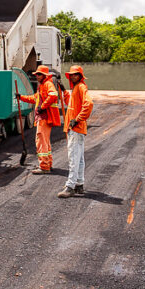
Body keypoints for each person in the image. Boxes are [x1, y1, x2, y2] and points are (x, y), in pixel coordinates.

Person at [58, 65, 93, 198]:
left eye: (75, 74)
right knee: (79, 158)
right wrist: (64, 92)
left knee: (73, 157)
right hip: (76, 128)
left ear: (80, 76)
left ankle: (70, 186)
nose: (73, 76)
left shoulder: (81, 87)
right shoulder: (76, 89)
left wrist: (77, 119)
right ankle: (79, 184)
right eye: (71, 74)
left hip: (76, 128)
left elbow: (88, 104)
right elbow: (71, 103)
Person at [17, 65, 60, 174]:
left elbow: (54, 95)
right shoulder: (42, 86)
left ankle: (44, 167)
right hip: (43, 118)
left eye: (39, 74)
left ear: (44, 75)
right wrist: (21, 97)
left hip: (44, 118)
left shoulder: (48, 84)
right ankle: (48, 163)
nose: (37, 76)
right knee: (45, 142)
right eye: (37, 74)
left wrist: (43, 107)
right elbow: (34, 98)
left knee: (41, 142)